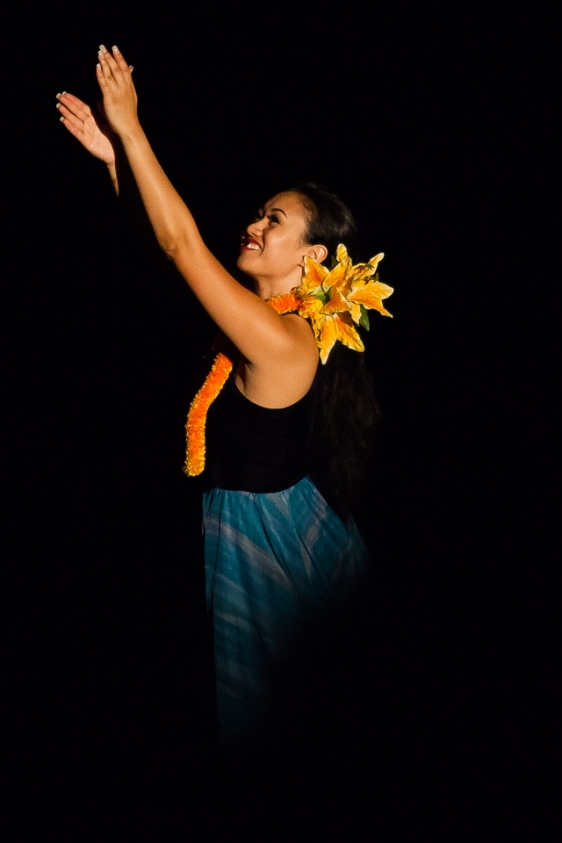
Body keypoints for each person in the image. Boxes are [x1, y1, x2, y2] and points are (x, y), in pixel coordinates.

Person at [56, 45, 393, 755]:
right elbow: (177, 260)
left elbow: (183, 250)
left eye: (275, 222)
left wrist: (133, 128)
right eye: (260, 212)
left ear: (312, 261)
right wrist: (118, 163)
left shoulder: (287, 342)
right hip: (241, 520)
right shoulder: (262, 318)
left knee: (276, 724)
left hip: (264, 539)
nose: (255, 225)